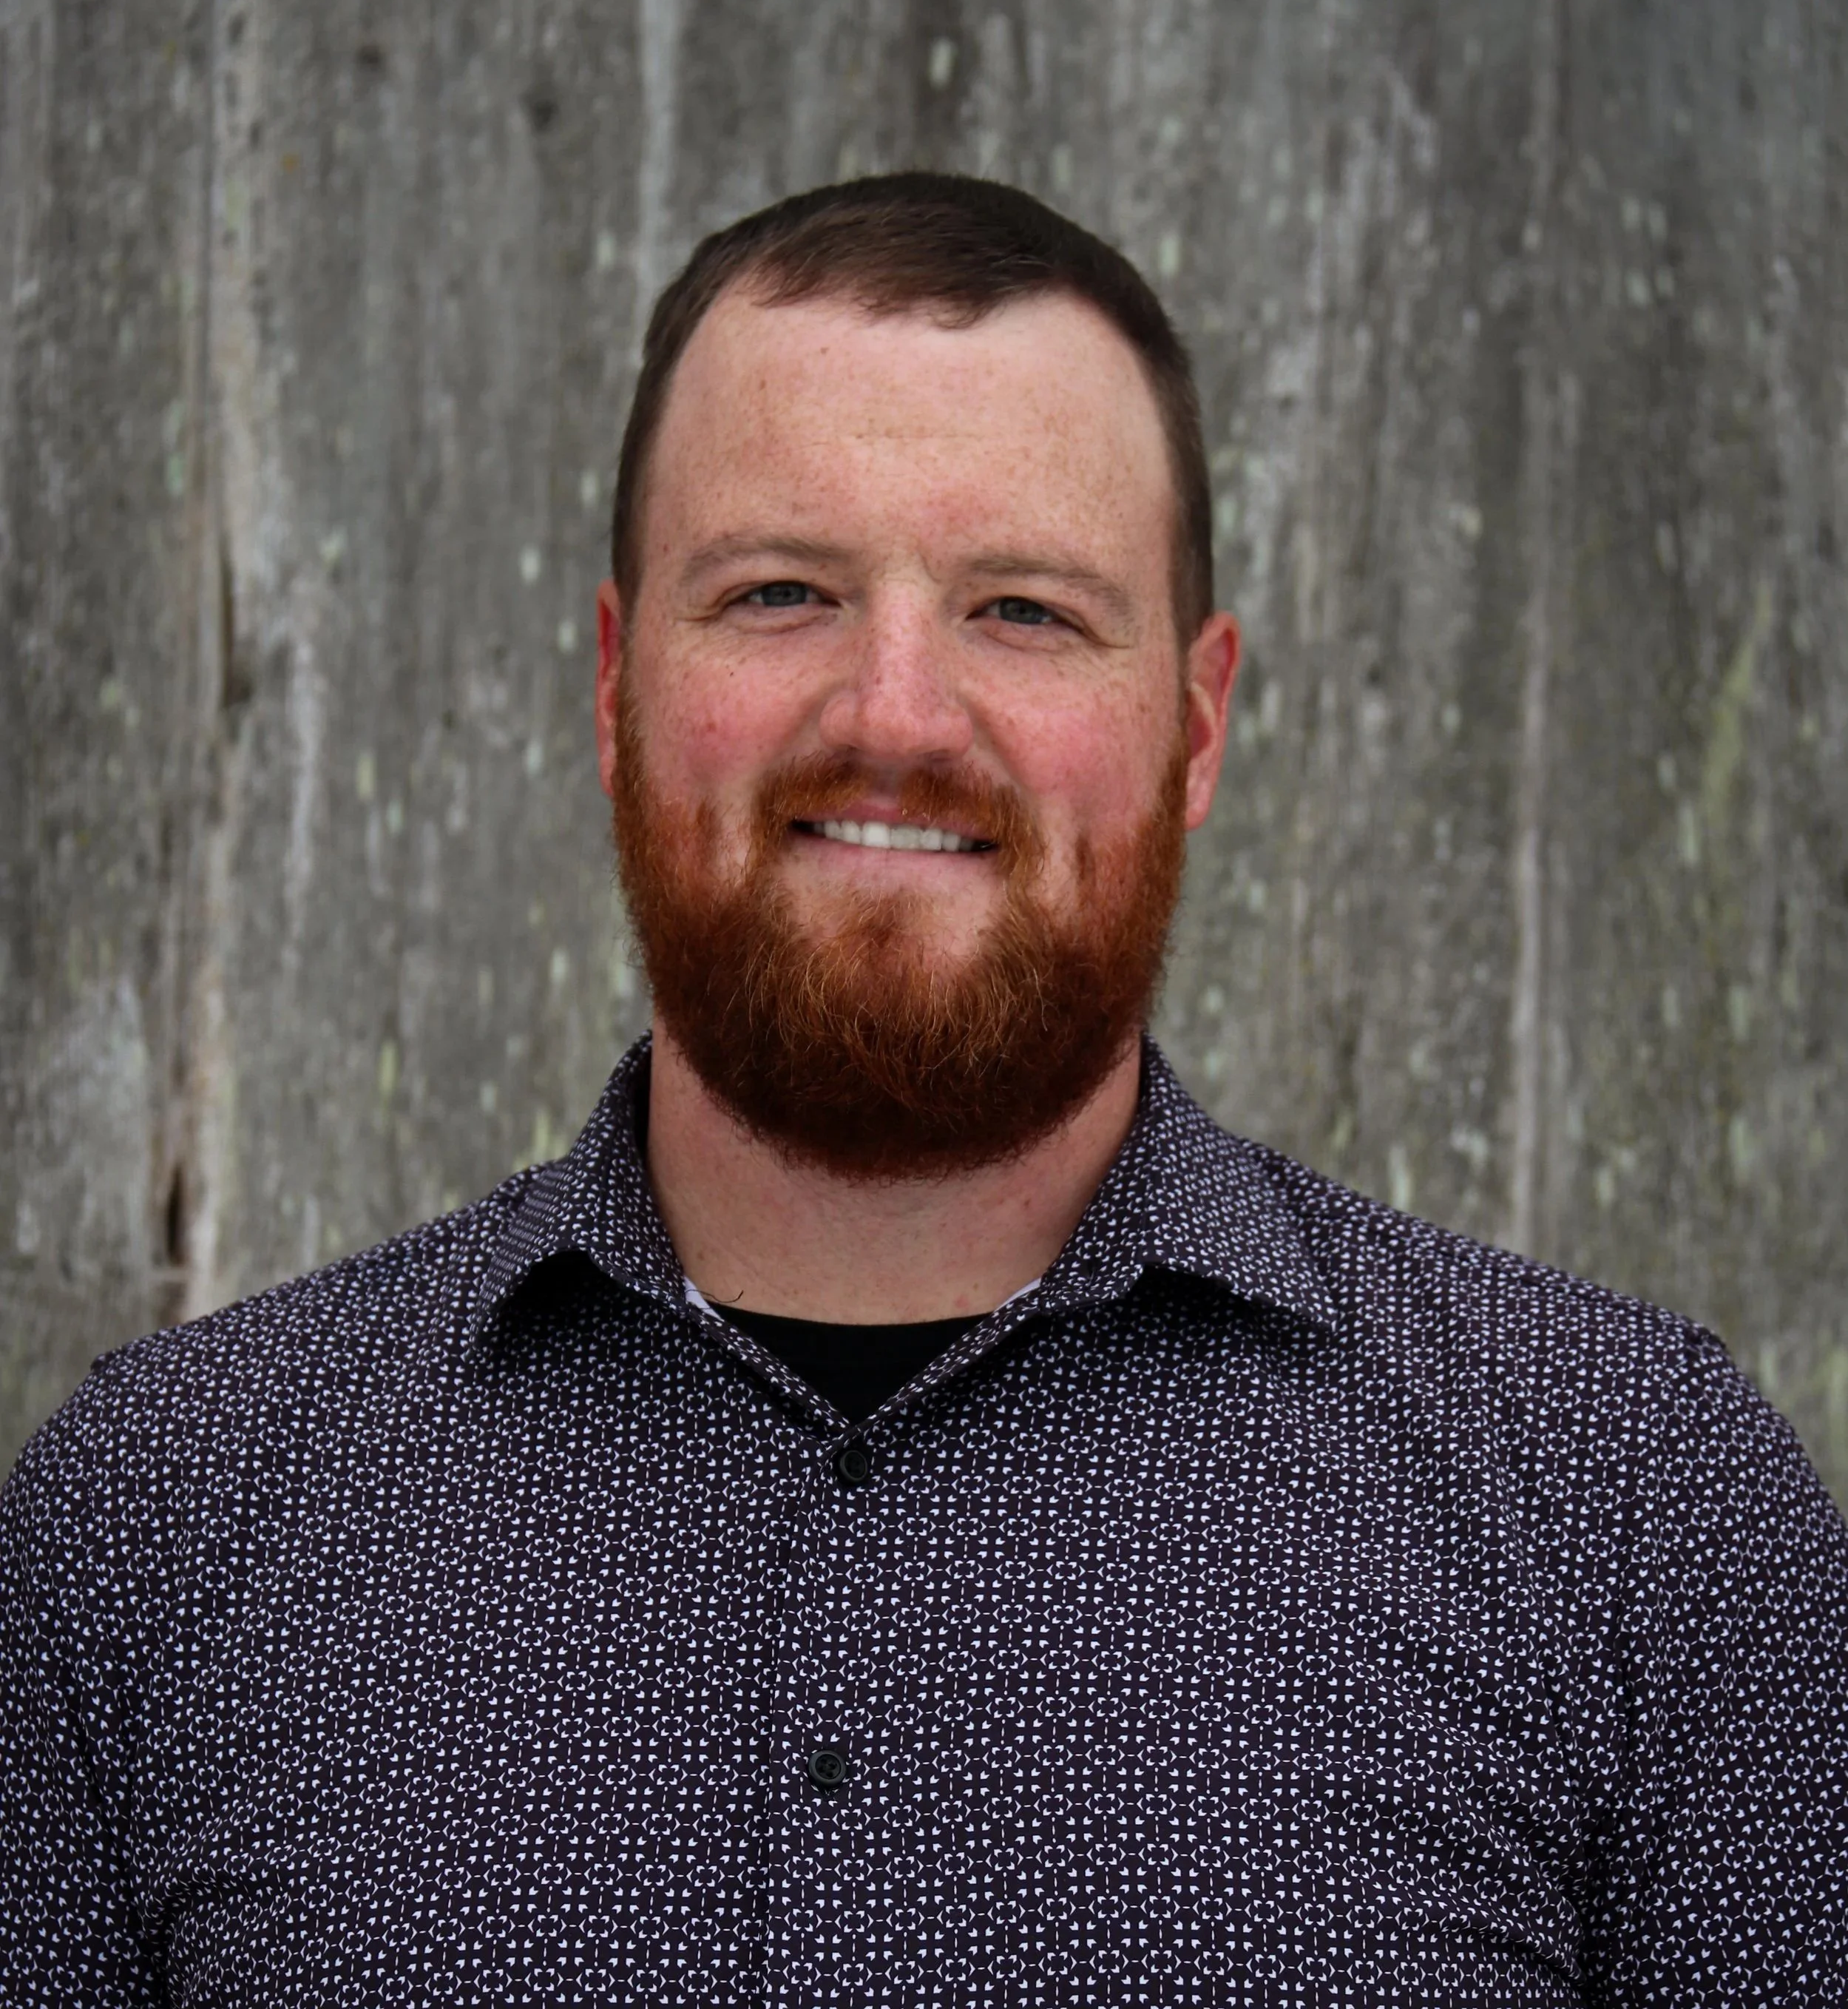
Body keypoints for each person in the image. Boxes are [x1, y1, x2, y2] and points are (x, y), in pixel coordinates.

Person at [2, 172, 1844, 2008]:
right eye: (780, 588)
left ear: (1195, 725)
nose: (894, 712)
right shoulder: (154, 1523)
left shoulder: (1639, 1518)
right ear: (616, 680)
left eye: (1025, 610)